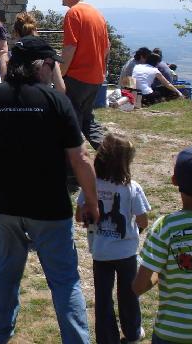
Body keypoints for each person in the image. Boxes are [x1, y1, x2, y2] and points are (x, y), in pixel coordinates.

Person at [0, 35, 99, 344]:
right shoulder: (56, 101)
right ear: (42, 66)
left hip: (5, 203)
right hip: (50, 206)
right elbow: (80, 157)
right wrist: (91, 200)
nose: (54, 71)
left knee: (5, 273)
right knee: (65, 281)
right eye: (52, 65)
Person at [75, 134, 150, 344]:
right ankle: (133, 332)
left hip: (101, 251)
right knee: (129, 294)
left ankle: (107, 338)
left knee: (103, 298)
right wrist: (138, 230)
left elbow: (79, 215)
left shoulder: (91, 185)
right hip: (126, 252)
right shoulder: (132, 188)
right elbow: (143, 220)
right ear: (126, 162)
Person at [133, 146, 192, 344]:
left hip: (172, 334)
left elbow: (139, 287)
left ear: (174, 181)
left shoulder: (165, 227)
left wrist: (157, 273)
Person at [59, 0, 109, 150]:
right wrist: (101, 70)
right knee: (87, 119)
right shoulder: (97, 14)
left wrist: (61, 73)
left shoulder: (74, 13)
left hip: (76, 77)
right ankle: (111, 157)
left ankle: (73, 169)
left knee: (69, 123)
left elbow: (70, 47)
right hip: (95, 78)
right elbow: (107, 47)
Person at [11, 11, 65, 93]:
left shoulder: (9, 57)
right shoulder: (48, 55)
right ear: (35, 30)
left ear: (15, 33)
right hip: (44, 101)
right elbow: (61, 89)